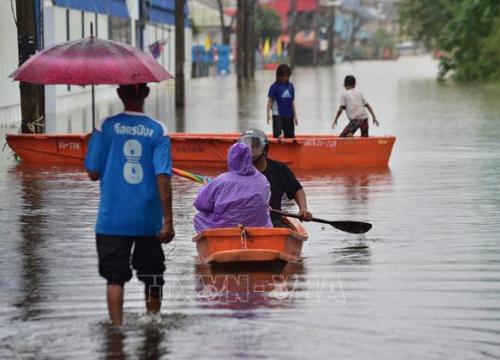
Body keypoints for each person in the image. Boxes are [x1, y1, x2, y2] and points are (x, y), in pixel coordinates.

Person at [84, 83, 175, 326]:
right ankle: (153, 326)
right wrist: (168, 220)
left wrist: (92, 142)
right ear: (146, 94)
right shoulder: (158, 130)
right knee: (153, 275)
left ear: (119, 94)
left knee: (115, 277)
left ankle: (116, 332)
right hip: (147, 220)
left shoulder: (104, 127)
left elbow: (92, 172)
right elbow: (162, 177)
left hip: (112, 220)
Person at [239, 129, 313, 228]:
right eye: (247, 146)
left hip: (273, 222)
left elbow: (296, 189)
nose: (251, 150)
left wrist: (303, 209)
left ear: (265, 149)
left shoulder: (279, 169)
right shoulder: (237, 172)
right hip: (244, 223)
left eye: (255, 146)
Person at [193, 142, 273, 233]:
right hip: (259, 230)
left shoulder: (221, 181)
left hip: (224, 230)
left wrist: (205, 187)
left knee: (199, 217)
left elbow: (200, 204)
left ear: (231, 159)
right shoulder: (263, 180)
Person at [266, 64, 298, 139]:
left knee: (290, 136)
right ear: (279, 76)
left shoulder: (291, 86)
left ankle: (289, 149)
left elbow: (292, 102)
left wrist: (295, 116)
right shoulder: (274, 87)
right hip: (277, 115)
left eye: (287, 76)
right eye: (283, 76)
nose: (285, 78)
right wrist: (268, 115)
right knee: (277, 135)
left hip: (289, 116)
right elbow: (270, 102)